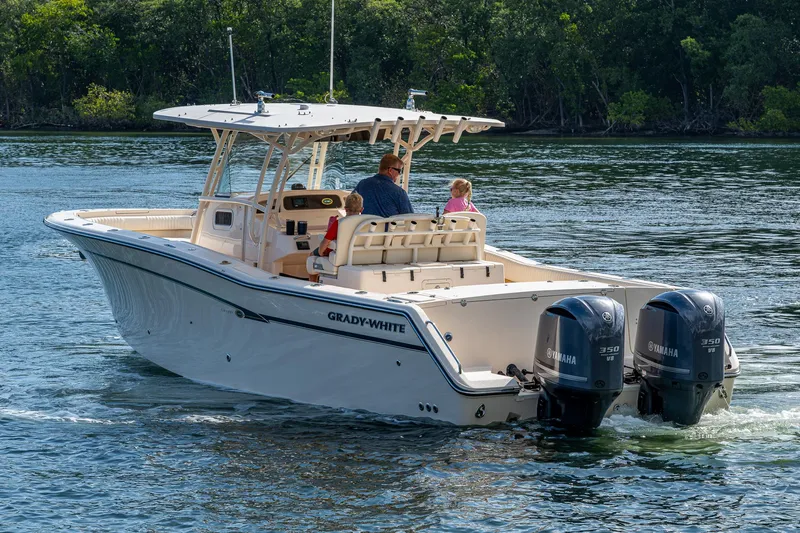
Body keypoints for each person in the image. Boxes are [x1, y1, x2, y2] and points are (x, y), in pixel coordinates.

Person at [308, 192, 363, 282]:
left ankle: (312, 284)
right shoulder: (365, 223)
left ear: (345, 209)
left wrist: (321, 252)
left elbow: (326, 242)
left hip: (339, 254)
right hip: (356, 254)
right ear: (361, 209)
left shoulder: (339, 223)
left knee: (311, 256)